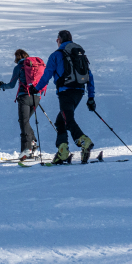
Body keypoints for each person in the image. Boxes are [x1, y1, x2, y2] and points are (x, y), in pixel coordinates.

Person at [31, 30, 95, 164]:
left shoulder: (56, 55)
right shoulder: (80, 54)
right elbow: (90, 77)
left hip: (65, 92)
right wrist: (91, 97)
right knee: (61, 121)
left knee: (68, 120)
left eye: (57, 39)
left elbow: (47, 75)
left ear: (59, 40)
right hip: (79, 92)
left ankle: (84, 141)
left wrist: (36, 89)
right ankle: (63, 151)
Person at [0, 49, 45, 160]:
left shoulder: (19, 67)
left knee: (23, 122)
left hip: (24, 97)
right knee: (25, 121)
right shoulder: (35, 67)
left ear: (17, 57)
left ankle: (26, 149)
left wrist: (1, 86)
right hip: (36, 97)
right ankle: (32, 142)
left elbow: (12, 85)